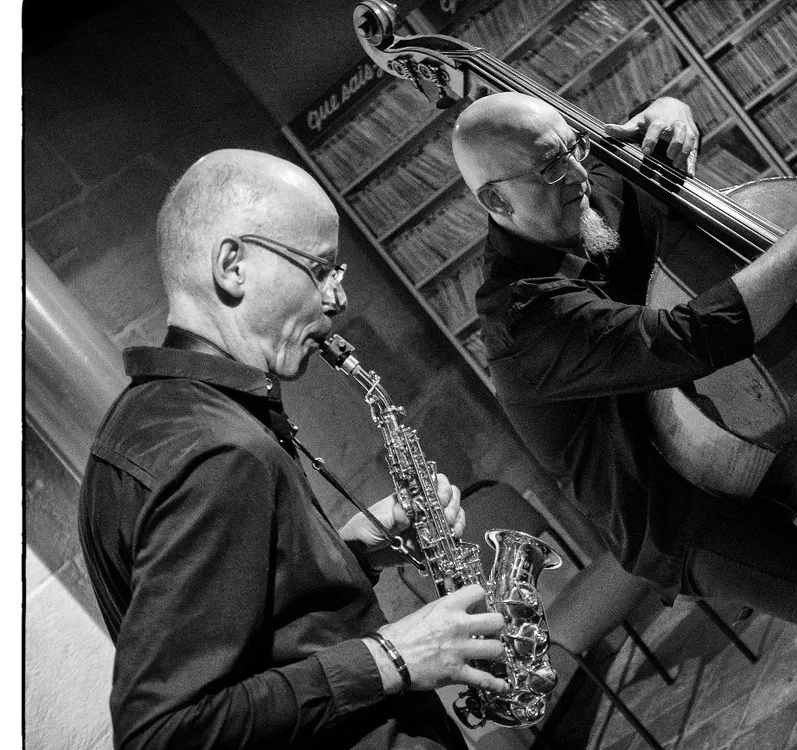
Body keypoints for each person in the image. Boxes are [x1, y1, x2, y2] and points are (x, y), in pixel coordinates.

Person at [452, 92, 797, 749]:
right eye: (552, 170)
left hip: (738, 424)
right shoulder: (522, 320)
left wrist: (674, 106)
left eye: (574, 150)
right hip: (670, 508)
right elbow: (693, 338)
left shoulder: (581, 186)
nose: (580, 176)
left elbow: (653, 142)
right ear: (496, 203)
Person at [78, 149, 509, 750]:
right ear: (233, 265)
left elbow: (250, 635)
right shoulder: (218, 453)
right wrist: (396, 656)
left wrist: (346, 552)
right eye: (321, 267)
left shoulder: (140, 426)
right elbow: (164, 734)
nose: (338, 300)